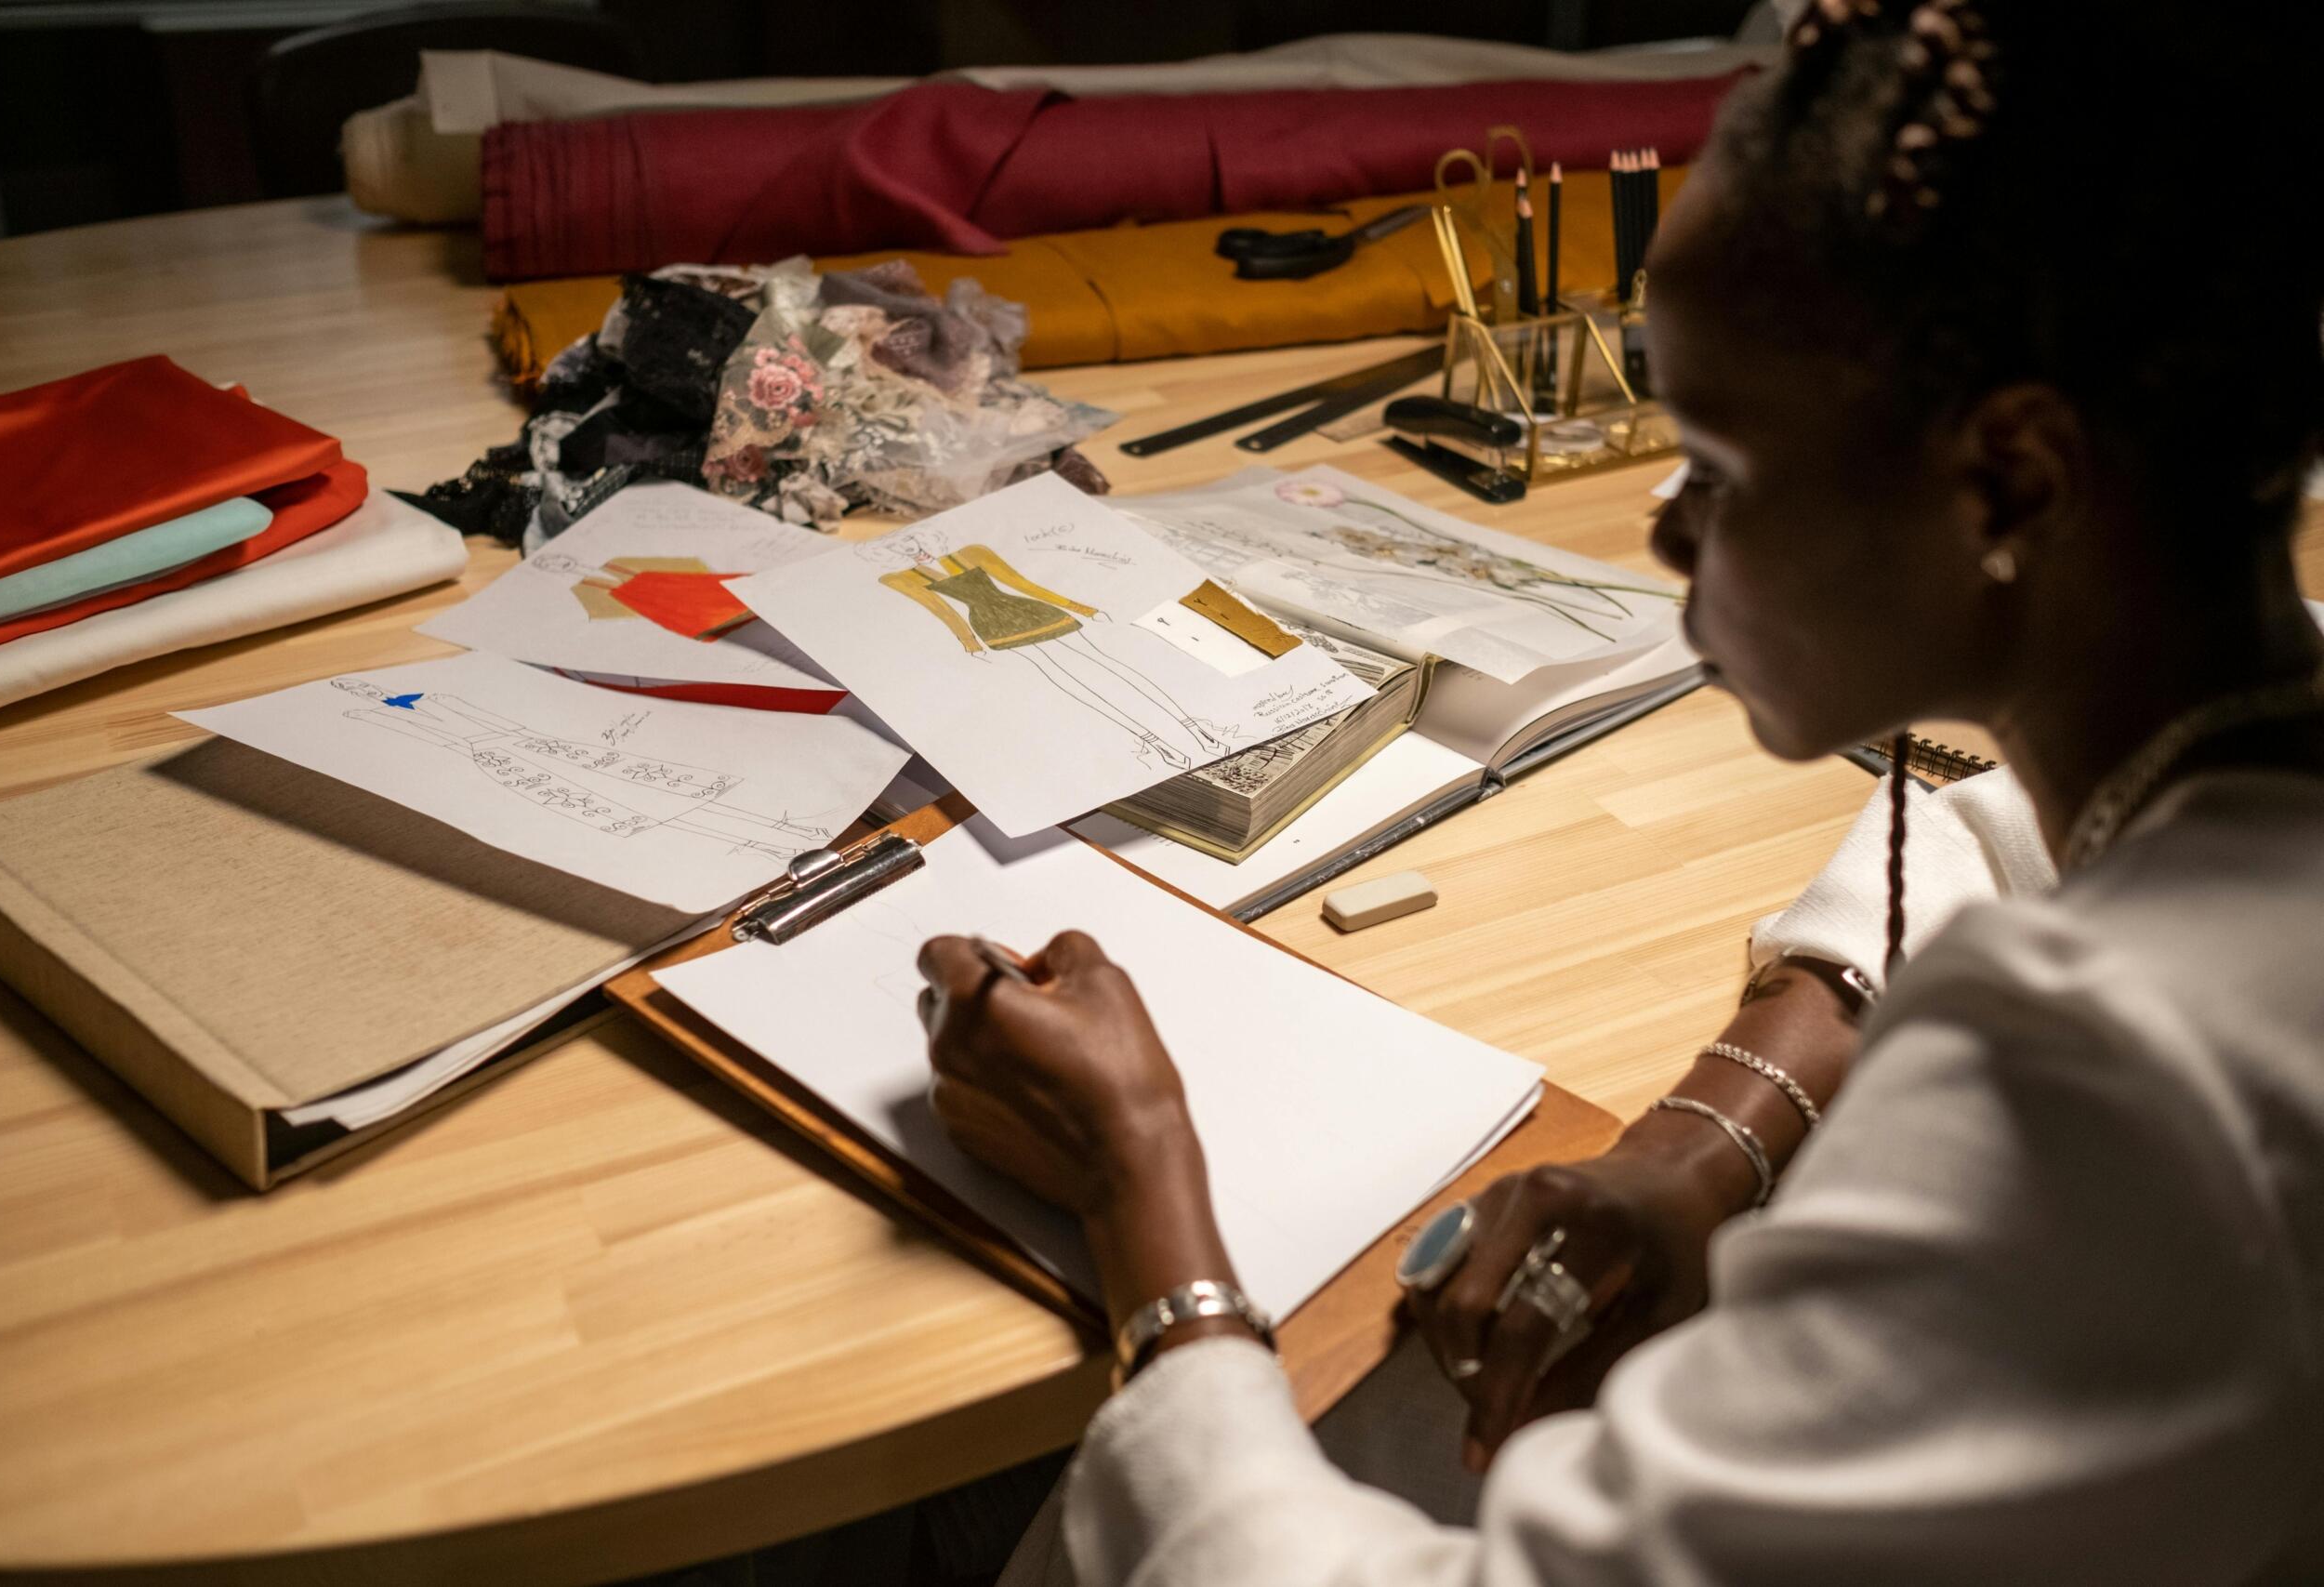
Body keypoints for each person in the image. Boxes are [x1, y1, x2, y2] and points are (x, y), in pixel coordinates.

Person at [913, 2, 2324, 1581]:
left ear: (2008, 479)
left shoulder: (2109, 1104)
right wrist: (1705, 1142)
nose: (1663, 531)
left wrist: (1150, 1211)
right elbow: (2010, 835)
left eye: (1718, 468)